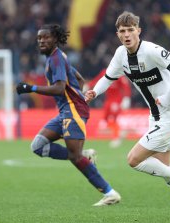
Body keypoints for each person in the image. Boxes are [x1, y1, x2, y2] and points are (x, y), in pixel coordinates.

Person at [85, 11, 170, 219]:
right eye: (122, 31)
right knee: (163, 166)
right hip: (157, 116)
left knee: (134, 159)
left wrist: (167, 97)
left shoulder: (151, 51)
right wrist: (95, 91)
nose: (126, 34)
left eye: (131, 30)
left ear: (139, 31)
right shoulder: (121, 54)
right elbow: (108, 77)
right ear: (118, 34)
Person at [16, 24, 121, 206]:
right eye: (39, 38)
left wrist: (30, 88)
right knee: (38, 145)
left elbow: (58, 88)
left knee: (75, 157)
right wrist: (76, 98)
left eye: (46, 38)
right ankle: (85, 155)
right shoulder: (57, 58)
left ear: (55, 39)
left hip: (72, 110)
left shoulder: (56, 59)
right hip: (68, 110)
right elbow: (79, 79)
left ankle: (110, 193)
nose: (42, 41)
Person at [86, 69, 131, 148]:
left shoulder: (119, 74)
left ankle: (116, 137)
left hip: (116, 100)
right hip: (108, 100)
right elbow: (97, 80)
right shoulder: (104, 72)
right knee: (105, 119)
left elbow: (125, 86)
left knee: (113, 119)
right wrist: (89, 85)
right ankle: (119, 132)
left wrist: (126, 98)